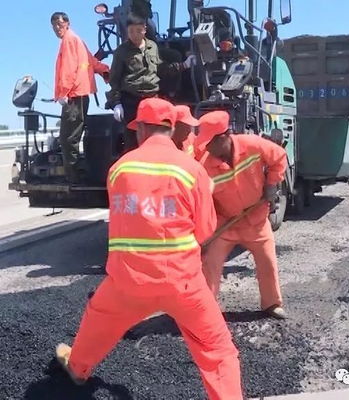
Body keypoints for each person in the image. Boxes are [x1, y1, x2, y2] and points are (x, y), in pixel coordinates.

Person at [55, 98, 243, 400]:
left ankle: (78, 368)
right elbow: (205, 231)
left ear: (141, 129)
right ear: (171, 128)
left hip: (127, 282)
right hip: (182, 283)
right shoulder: (192, 170)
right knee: (217, 350)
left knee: (97, 319)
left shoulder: (119, 169)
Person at [196, 111, 288, 319]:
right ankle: (206, 309)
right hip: (225, 223)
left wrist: (272, 184)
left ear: (224, 137)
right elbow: (202, 202)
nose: (206, 148)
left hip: (255, 219)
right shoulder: (205, 166)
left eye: (208, 142)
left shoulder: (253, 145)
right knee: (210, 263)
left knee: (267, 261)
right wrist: (204, 234)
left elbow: (279, 157)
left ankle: (272, 303)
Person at [108, 14, 196, 153]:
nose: (134, 35)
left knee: (156, 137)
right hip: (132, 102)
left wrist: (183, 65)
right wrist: (116, 103)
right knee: (133, 141)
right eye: (130, 31)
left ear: (144, 29)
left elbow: (161, 68)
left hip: (152, 100)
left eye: (138, 31)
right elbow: (114, 79)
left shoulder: (152, 47)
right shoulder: (121, 52)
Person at [51, 12, 110, 183]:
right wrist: (106, 71)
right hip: (81, 94)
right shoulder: (77, 40)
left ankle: (75, 178)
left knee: (68, 138)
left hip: (74, 95)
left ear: (67, 23)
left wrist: (63, 92)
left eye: (59, 24)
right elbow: (91, 62)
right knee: (74, 135)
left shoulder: (69, 40)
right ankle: (78, 173)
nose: (57, 28)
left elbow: (68, 69)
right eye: (54, 25)